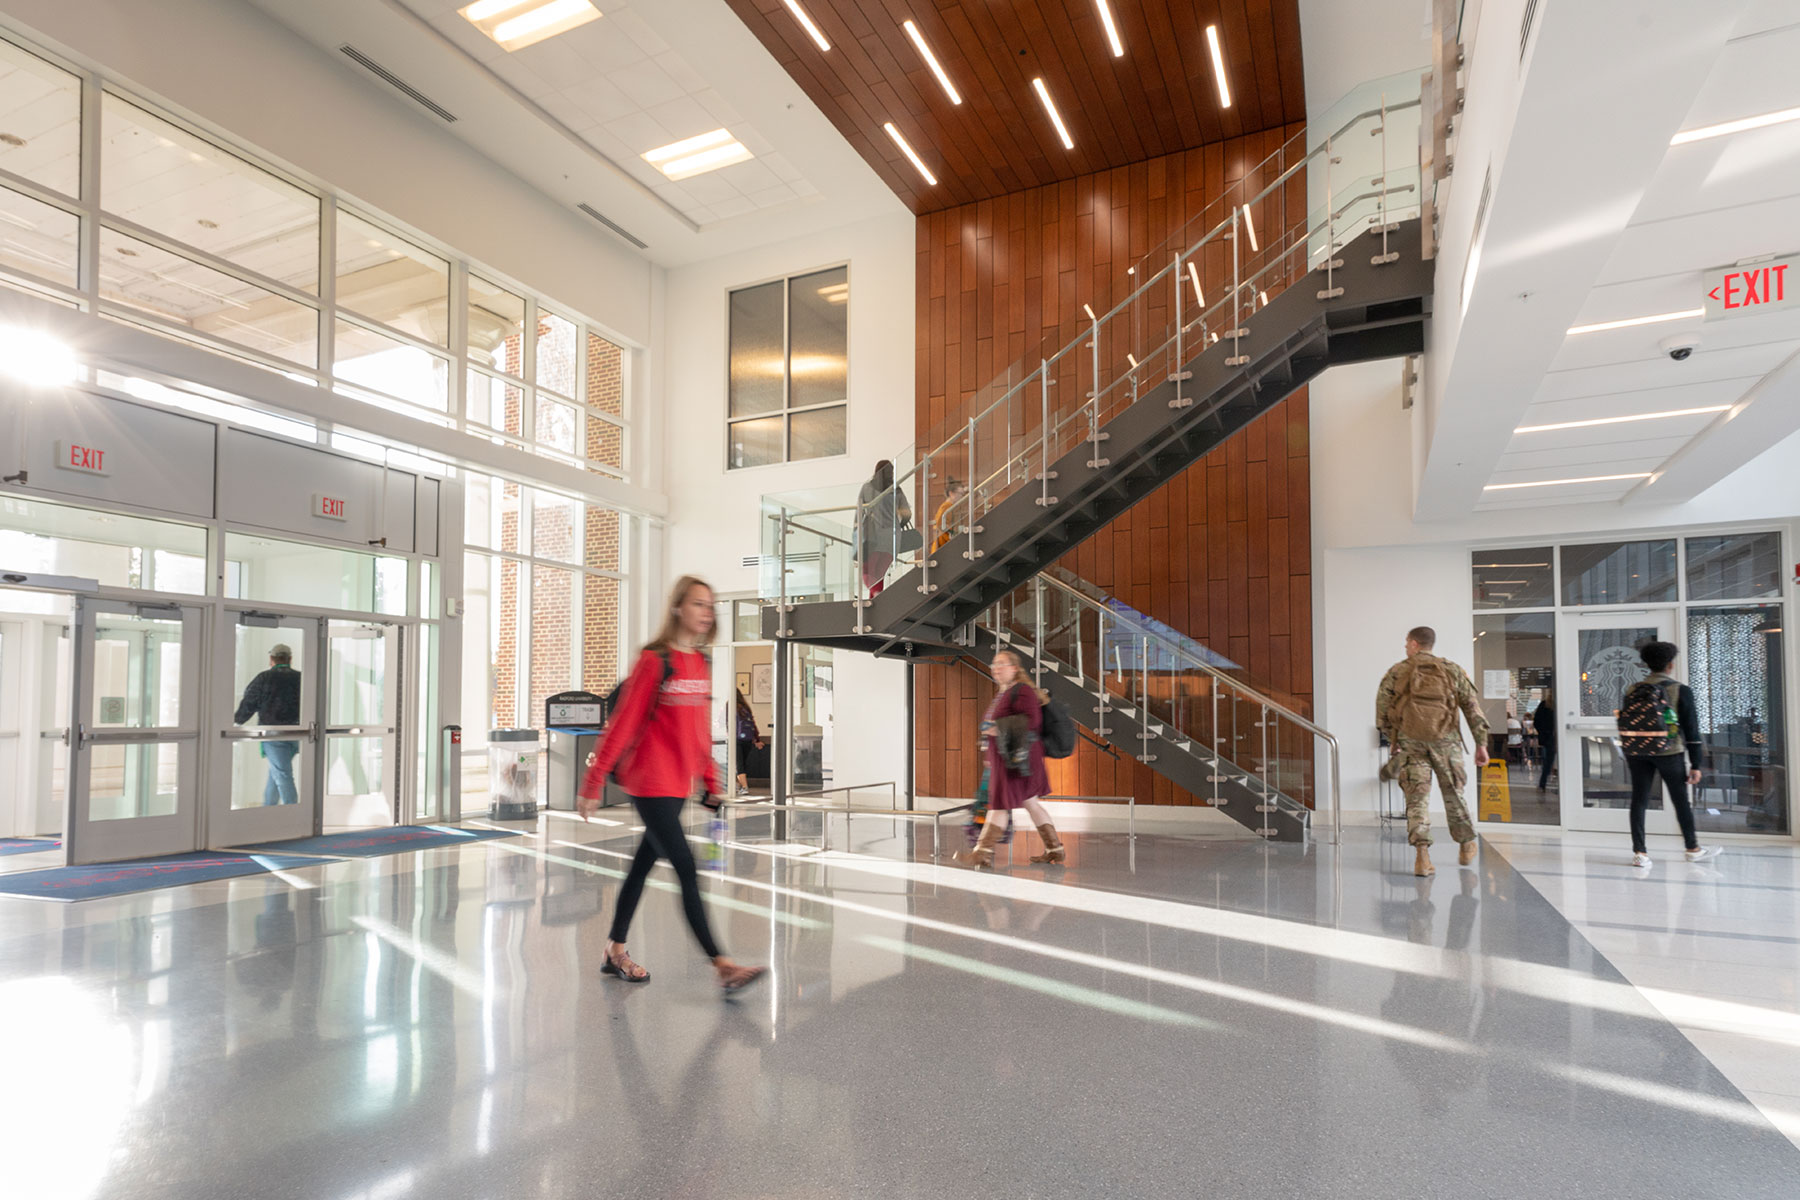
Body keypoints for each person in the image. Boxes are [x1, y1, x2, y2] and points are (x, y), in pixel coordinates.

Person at [577, 576, 764, 993]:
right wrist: (592, 783)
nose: (706, 612)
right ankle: (723, 963)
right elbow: (623, 724)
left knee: (642, 866)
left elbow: (697, 732)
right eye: (698, 604)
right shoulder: (654, 660)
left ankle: (614, 949)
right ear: (679, 608)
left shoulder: (700, 663)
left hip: (678, 784)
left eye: (710, 605)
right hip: (650, 782)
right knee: (687, 868)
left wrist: (712, 780)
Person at [1376, 626, 1489, 877]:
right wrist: (1481, 744)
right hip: (1446, 742)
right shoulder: (1451, 669)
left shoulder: (1397, 671)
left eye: (1407, 642)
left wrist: (1393, 738)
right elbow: (1472, 708)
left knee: (1417, 799)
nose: (1405, 647)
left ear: (1415, 643)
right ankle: (1466, 843)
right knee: (1454, 793)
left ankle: (1422, 857)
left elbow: (1382, 709)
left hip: (1411, 743)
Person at [954, 648, 1065, 869]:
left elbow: (1032, 722)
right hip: (1009, 760)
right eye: (994, 664)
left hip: (1016, 761)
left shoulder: (1022, 690)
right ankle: (1055, 849)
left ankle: (981, 853)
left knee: (999, 806)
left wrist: (996, 727)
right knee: (1031, 804)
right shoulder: (1005, 692)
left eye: (1002, 664)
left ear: (1015, 668)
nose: (996, 668)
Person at [1621, 641, 1719, 868]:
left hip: (1637, 751)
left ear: (1647, 664)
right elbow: (1692, 730)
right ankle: (1692, 848)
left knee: (1639, 799)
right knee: (1680, 800)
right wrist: (1696, 763)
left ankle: (1640, 852)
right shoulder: (1680, 690)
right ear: (1670, 665)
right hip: (1670, 751)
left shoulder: (1632, 690)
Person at [234, 643, 302, 806]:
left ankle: (292, 815)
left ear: (271, 659)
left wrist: (237, 720)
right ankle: (268, 809)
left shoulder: (264, 678)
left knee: (282, 775)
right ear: (290, 659)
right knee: (277, 772)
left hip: (273, 734)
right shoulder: (301, 678)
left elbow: (250, 702)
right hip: (298, 734)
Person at [857, 459, 915, 597]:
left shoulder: (867, 488)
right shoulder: (896, 489)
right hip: (893, 536)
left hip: (874, 534)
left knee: (869, 569)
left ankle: (876, 595)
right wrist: (898, 525)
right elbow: (907, 514)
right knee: (880, 571)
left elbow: (860, 510)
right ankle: (876, 599)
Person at [732, 688, 767, 795]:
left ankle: (744, 787)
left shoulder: (731, 706)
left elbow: (721, 721)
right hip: (747, 740)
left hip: (736, 739)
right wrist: (757, 740)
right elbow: (753, 725)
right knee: (740, 764)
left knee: (738, 765)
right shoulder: (745, 707)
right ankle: (738, 785)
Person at [931, 477, 968, 553]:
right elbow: (940, 525)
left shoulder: (950, 507)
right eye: (960, 494)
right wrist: (953, 535)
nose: (962, 496)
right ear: (951, 493)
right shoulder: (946, 506)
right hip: (942, 545)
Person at [1532, 687, 1557, 791]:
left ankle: (1543, 784)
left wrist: (1543, 733)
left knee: (1548, 761)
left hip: (1548, 737)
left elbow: (1536, 722)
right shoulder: (1561, 704)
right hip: (1553, 736)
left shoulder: (1544, 704)